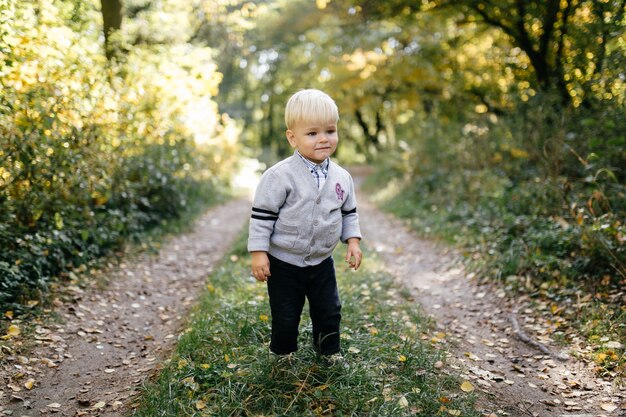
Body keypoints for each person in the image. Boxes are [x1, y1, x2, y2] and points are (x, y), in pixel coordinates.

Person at [248, 89, 362, 357]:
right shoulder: (279, 176)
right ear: (292, 137)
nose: (323, 139)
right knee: (286, 314)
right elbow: (263, 217)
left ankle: (329, 352)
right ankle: (283, 354)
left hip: (322, 262)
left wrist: (353, 242)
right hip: (284, 264)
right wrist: (258, 253)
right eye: (312, 133)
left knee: (329, 310)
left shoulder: (342, 177)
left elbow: (349, 212)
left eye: (330, 131)